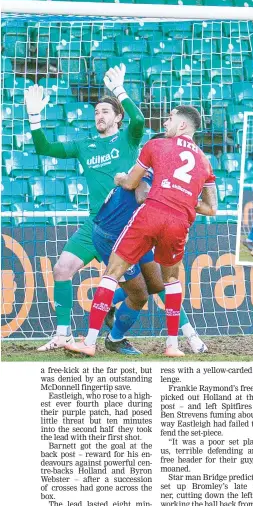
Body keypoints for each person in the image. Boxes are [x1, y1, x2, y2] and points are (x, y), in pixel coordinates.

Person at [65, 105, 217, 358]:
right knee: (153, 287)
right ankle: (173, 344)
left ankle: (97, 340)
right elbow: (212, 209)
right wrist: (183, 198)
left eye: (169, 119)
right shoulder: (204, 160)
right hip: (113, 231)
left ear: (181, 126)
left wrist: (123, 179)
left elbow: (139, 190)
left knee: (138, 282)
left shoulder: (155, 149)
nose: (165, 123)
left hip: (147, 219)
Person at [24, 65, 145, 351]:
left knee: (148, 287)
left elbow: (139, 119)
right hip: (96, 223)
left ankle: (182, 335)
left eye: (105, 111)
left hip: (129, 225)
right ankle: (62, 334)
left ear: (117, 117)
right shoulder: (84, 145)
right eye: (96, 112)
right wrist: (34, 117)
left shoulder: (128, 138)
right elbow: (44, 149)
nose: (99, 116)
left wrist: (119, 90)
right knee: (62, 269)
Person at [91, 143, 207, 355]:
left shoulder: (167, 176)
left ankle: (112, 301)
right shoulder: (148, 172)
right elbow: (142, 196)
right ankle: (114, 338)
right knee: (140, 295)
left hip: (139, 232)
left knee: (157, 284)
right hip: (113, 235)